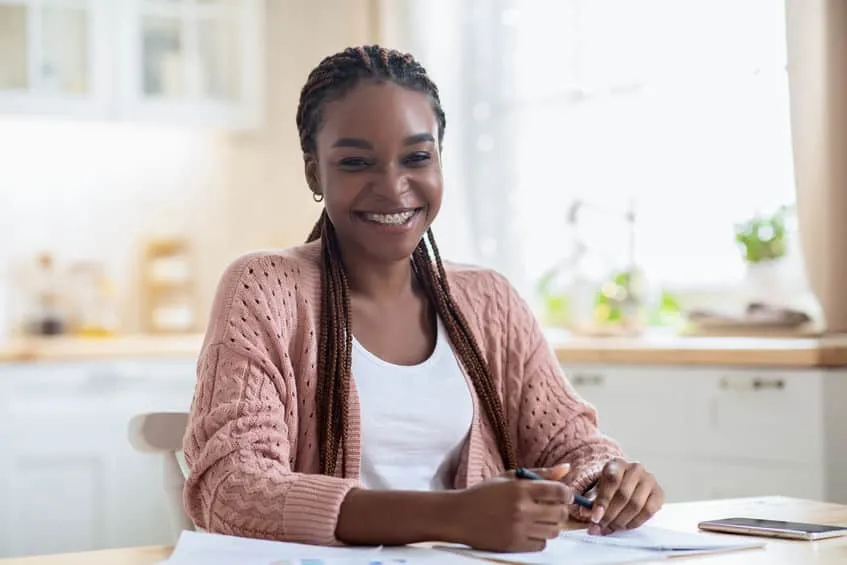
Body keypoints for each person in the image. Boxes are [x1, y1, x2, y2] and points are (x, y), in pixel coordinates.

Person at [182, 44, 664, 553]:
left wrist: (608, 479)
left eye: (417, 157)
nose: (393, 187)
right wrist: (454, 516)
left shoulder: (490, 300)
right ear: (313, 173)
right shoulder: (264, 289)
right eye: (355, 162)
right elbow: (230, 488)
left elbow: (573, 446)